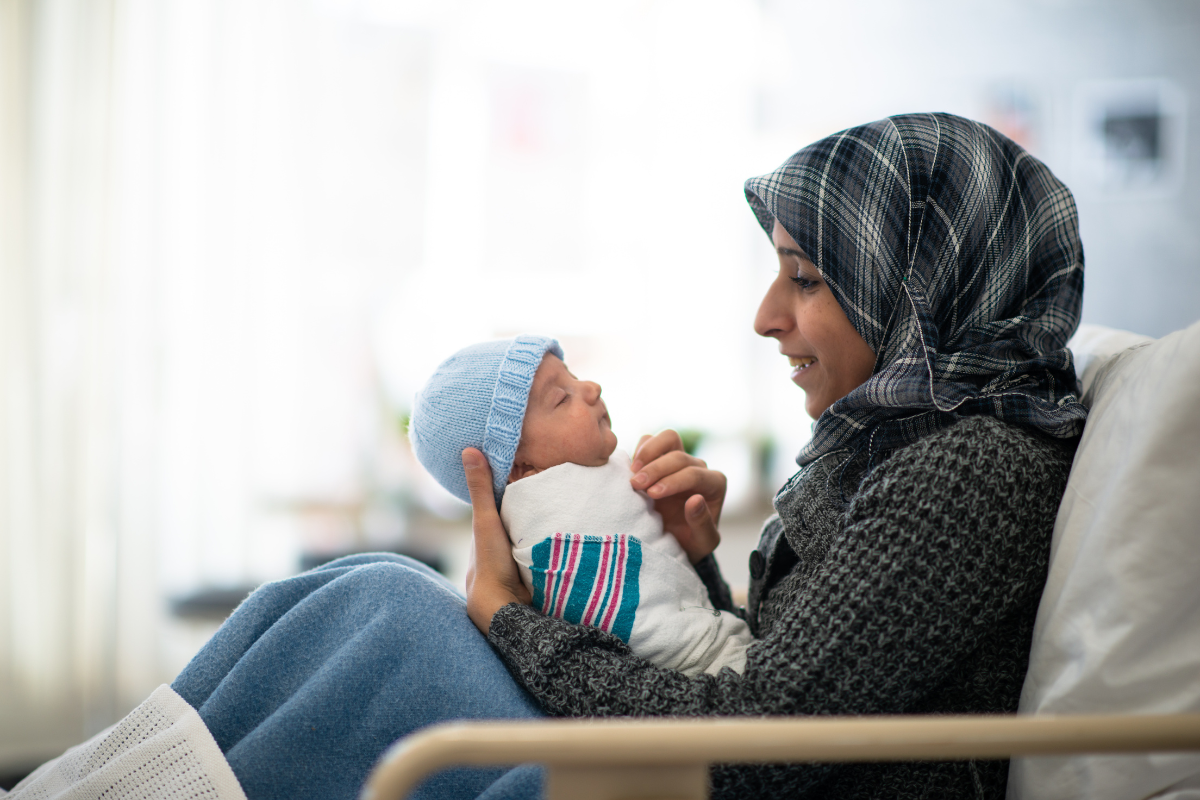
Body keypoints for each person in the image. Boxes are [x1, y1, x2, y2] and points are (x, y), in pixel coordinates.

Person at [9, 112, 1087, 800]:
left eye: (805, 277)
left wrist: (509, 620)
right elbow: (810, 673)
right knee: (356, 591)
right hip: (724, 763)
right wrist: (694, 557)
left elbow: (770, 740)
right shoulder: (899, 439)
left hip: (733, 786)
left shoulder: (968, 466)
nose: (765, 315)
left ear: (918, 283)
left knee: (385, 609)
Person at [407, 337, 753, 676]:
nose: (591, 388)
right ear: (520, 469)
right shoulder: (553, 520)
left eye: (573, 375)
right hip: (709, 668)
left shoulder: (594, 482)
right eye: (562, 397)